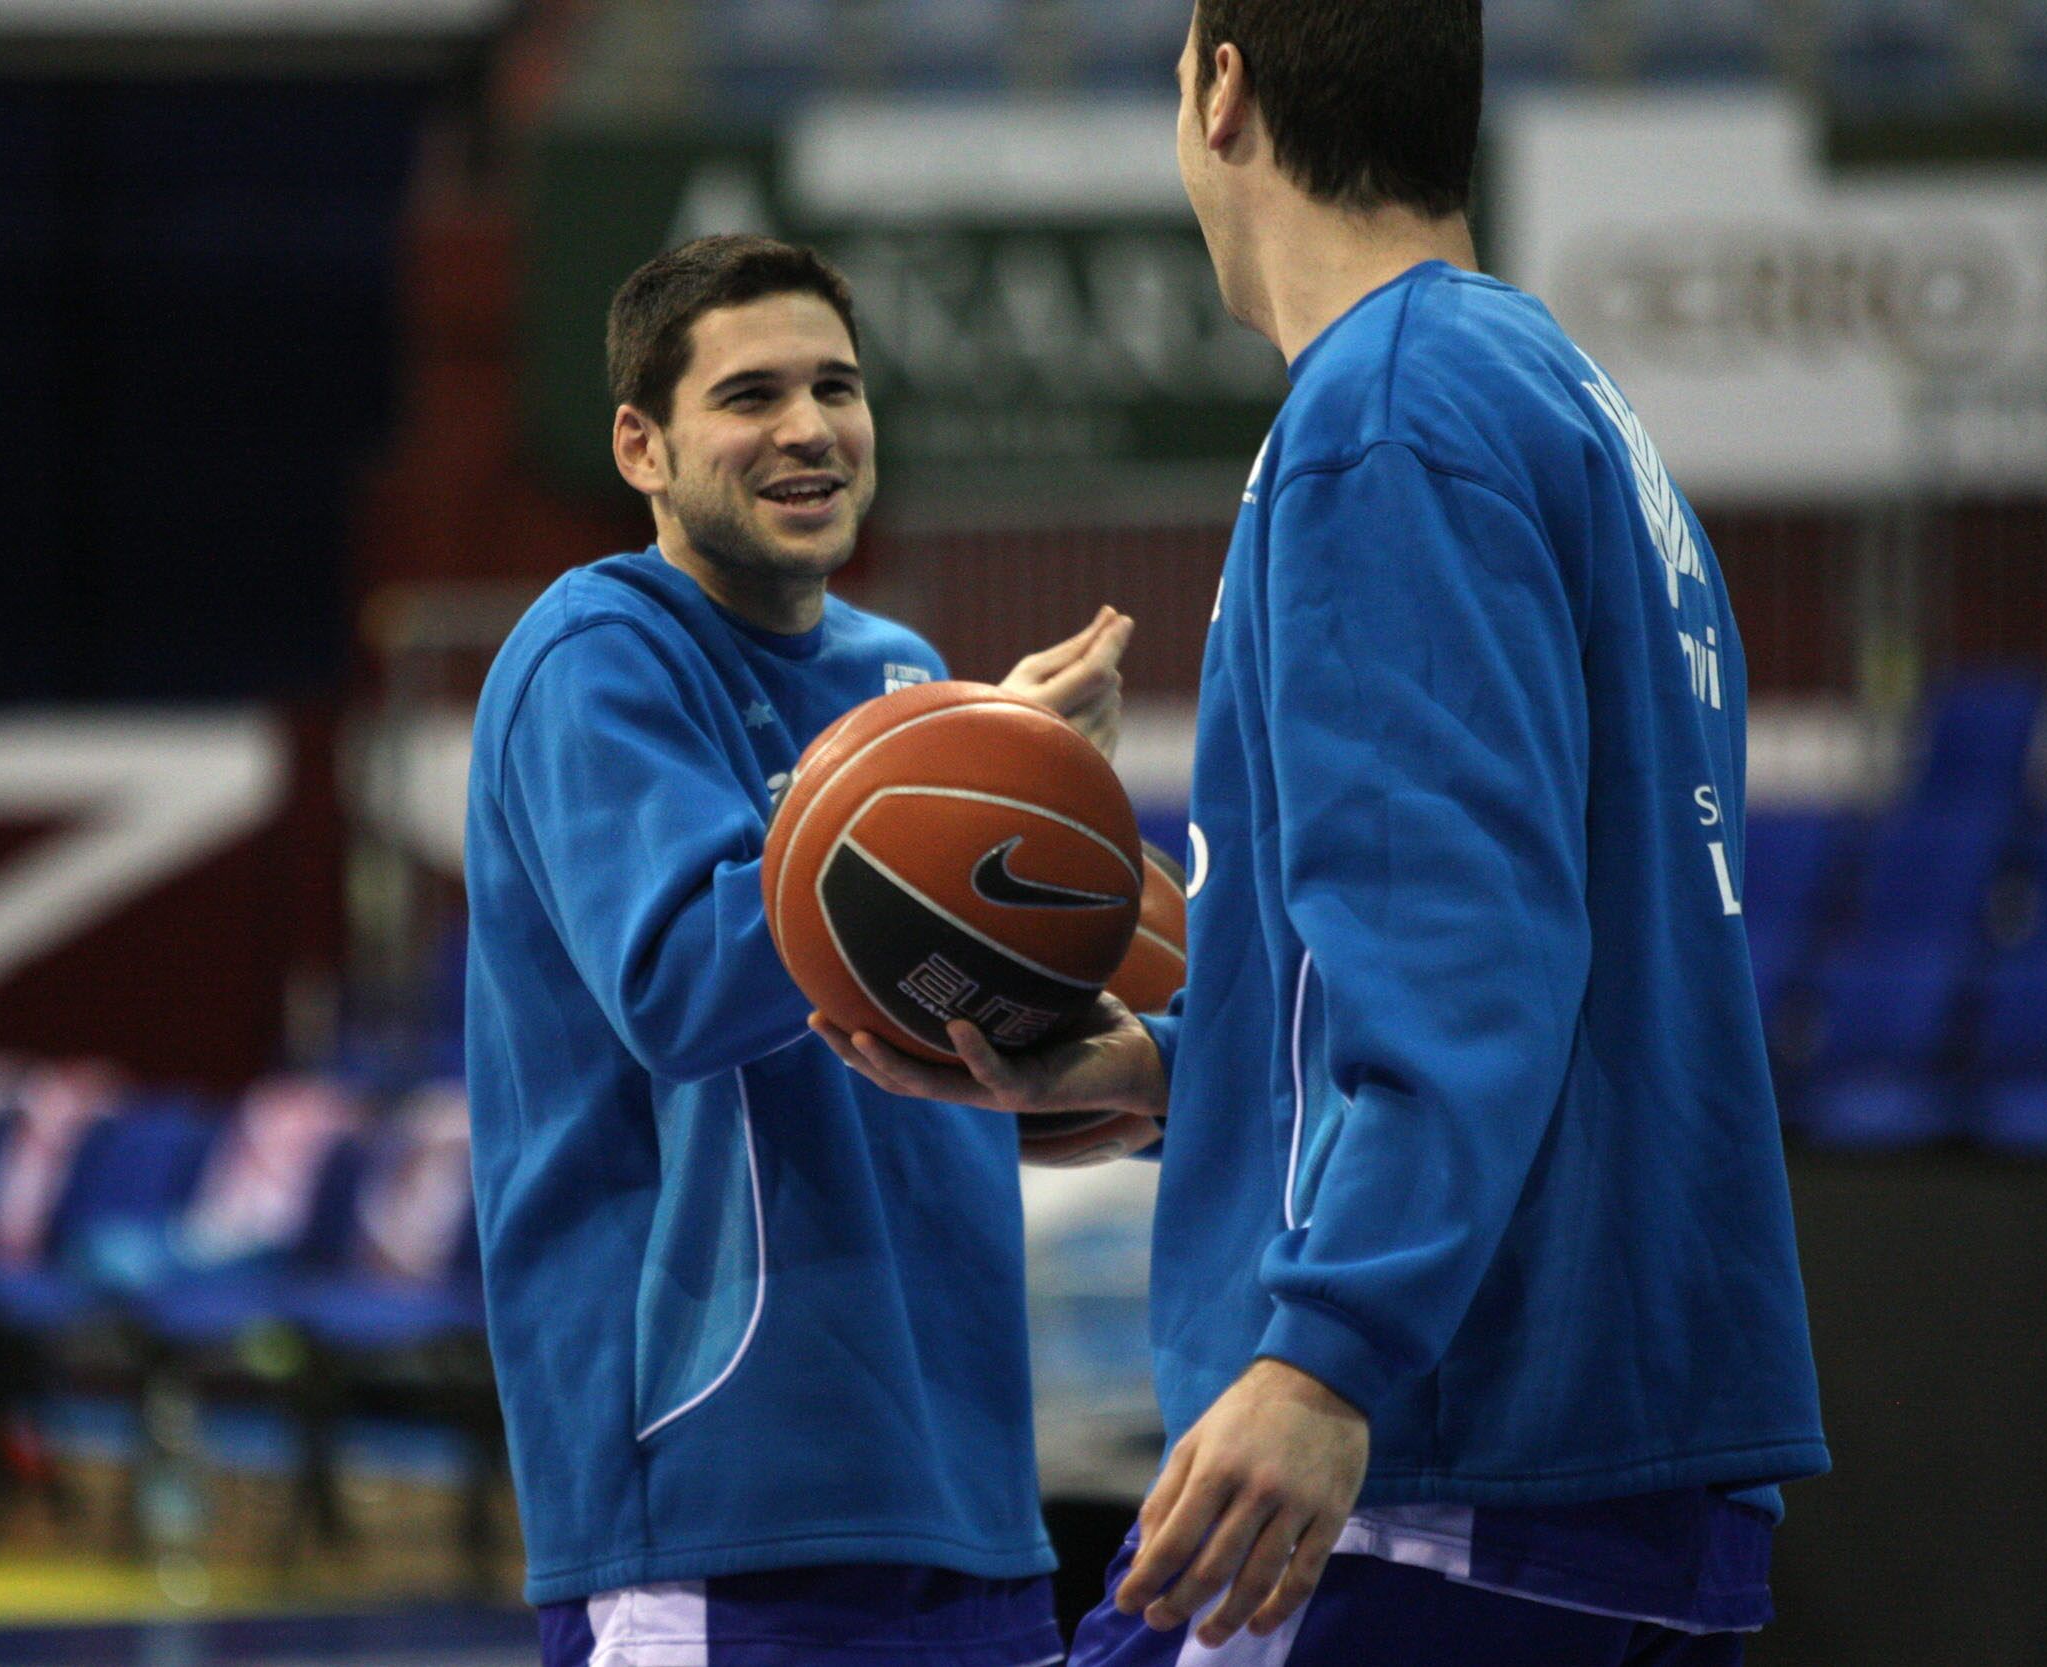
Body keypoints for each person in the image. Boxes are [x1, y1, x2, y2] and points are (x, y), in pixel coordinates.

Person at [813, 5, 1829, 1663]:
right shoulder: (1551, 393)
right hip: (1599, 1431)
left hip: (1442, 1445)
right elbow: (1519, 930)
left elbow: (1464, 948)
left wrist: (1327, 1351)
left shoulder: (1386, 416)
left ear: (1224, 89)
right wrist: (1161, 1070)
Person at [463, 234, 1131, 1666]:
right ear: (642, 444)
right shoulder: (591, 652)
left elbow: (937, 1026)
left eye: (837, 385)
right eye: (751, 394)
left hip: (966, 1493)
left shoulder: (900, 669)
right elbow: (682, 987)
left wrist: (1085, 1050)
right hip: (719, 1502)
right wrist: (955, 775)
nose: (810, 426)